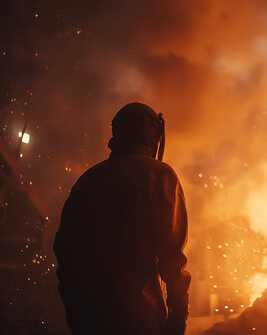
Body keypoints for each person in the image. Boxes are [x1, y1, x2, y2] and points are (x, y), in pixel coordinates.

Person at [54, 102, 190, 335]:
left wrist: (76, 317)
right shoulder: (159, 176)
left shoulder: (87, 181)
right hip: (140, 321)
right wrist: (178, 318)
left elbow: (66, 257)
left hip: (90, 321)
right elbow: (171, 260)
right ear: (152, 135)